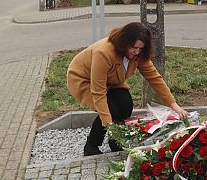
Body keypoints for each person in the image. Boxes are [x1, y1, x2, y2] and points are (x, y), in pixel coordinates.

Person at [67, 22, 188, 156]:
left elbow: (155, 78)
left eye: (141, 49)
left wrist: (174, 105)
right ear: (124, 42)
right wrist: (109, 125)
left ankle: (115, 142)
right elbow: (98, 93)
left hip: (111, 81)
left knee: (125, 104)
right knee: (109, 108)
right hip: (84, 79)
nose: (137, 52)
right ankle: (91, 145)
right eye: (134, 47)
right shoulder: (103, 53)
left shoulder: (138, 54)